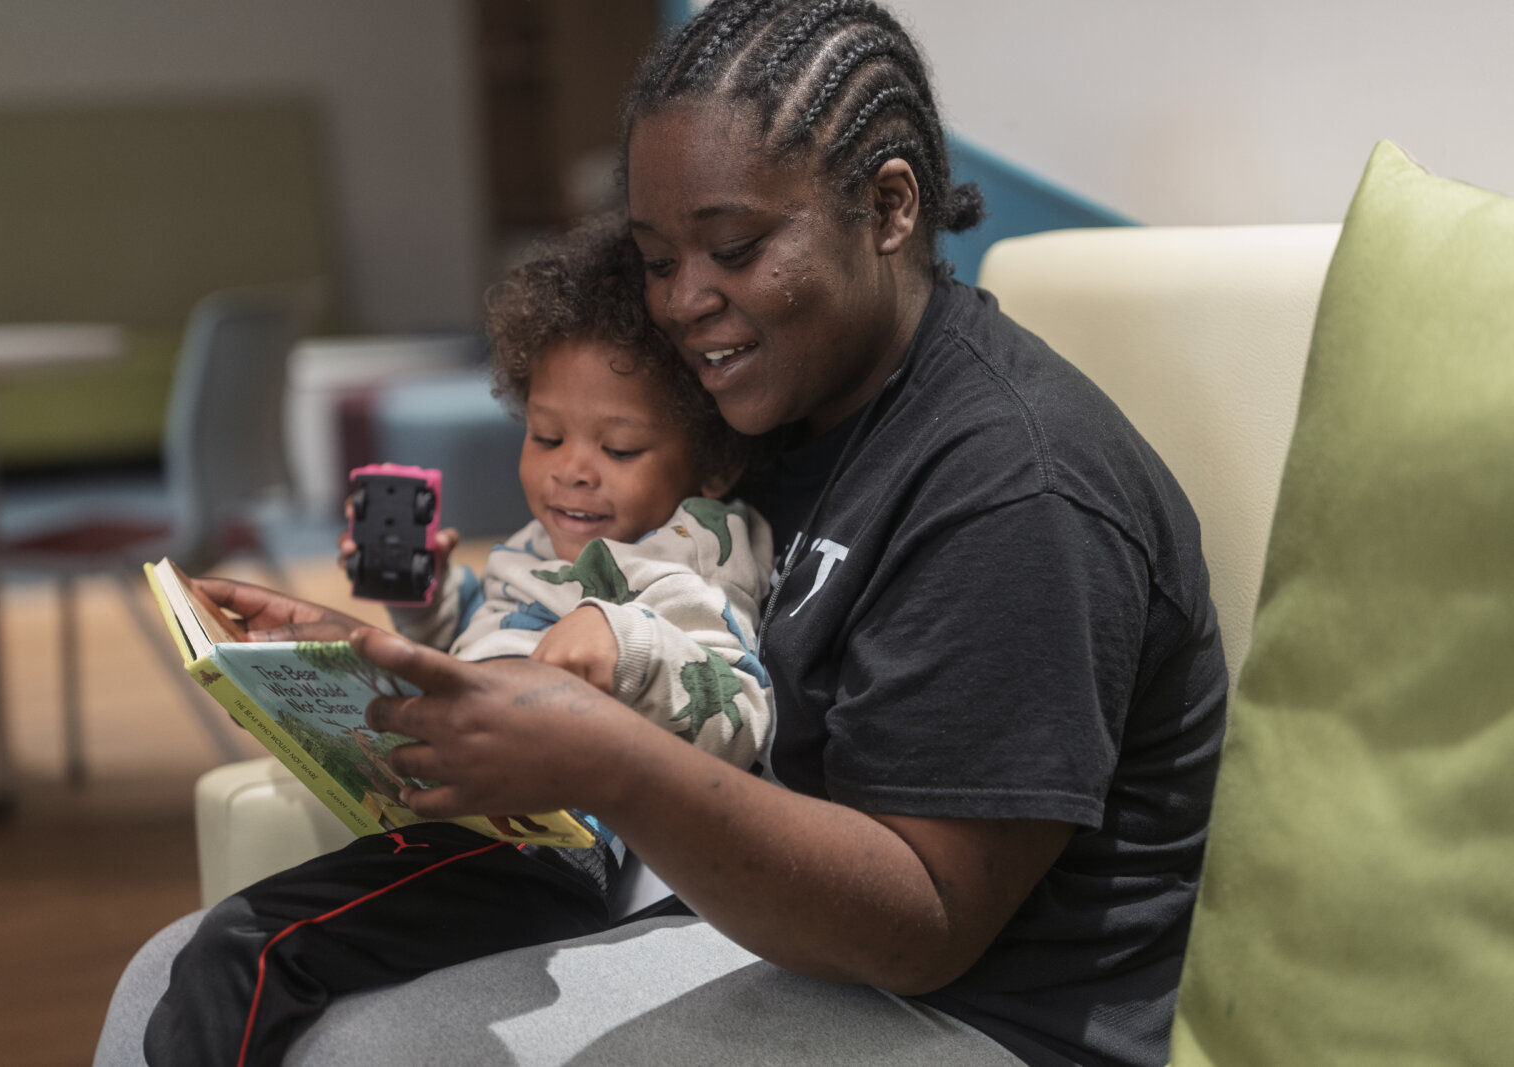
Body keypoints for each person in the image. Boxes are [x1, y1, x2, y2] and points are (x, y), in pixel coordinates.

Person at [97, 3, 1228, 1065]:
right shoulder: (766, 415)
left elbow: (924, 924)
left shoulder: (1012, 484)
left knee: (360, 1048)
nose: (683, 300)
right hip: (745, 919)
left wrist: (603, 753)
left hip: (976, 1016)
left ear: (890, 210)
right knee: (168, 975)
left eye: (733, 247)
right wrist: (382, 667)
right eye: (655, 257)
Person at [137, 215, 774, 1067]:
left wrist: (624, 639)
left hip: (533, 852)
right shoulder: (544, 545)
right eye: (546, 435)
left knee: (245, 950)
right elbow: (489, 642)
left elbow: (738, 704)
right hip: (454, 818)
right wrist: (431, 602)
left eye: (619, 446)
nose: (572, 467)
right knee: (241, 942)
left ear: (714, 464)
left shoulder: (683, 554)